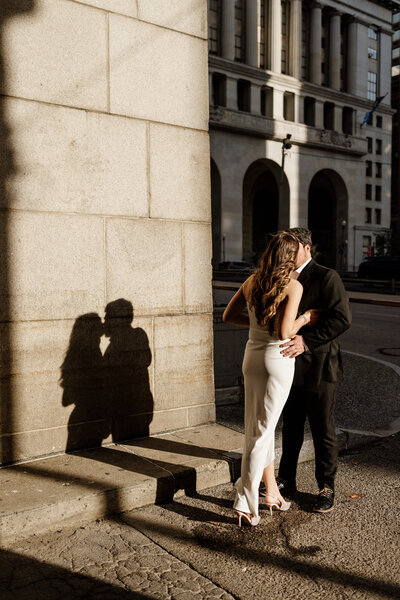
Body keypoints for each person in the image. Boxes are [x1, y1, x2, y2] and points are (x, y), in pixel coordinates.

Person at [223, 231, 315, 527]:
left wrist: (253, 326)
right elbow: (285, 333)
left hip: (252, 356)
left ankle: (269, 494)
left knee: (255, 428)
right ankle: (245, 502)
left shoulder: (252, 281)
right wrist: (306, 319)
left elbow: (228, 315)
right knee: (262, 433)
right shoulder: (293, 286)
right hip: (277, 359)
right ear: (290, 257)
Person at [277, 227, 351, 513]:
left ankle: (326, 486)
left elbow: (342, 319)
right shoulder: (284, 277)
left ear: (308, 248)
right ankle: (286, 480)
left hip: (320, 366)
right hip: (289, 365)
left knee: (323, 430)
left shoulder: (326, 276)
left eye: (293, 250)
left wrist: (307, 341)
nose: (288, 255)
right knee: (291, 427)